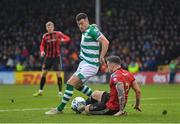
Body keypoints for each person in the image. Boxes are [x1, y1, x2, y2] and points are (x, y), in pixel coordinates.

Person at [45, 13, 109, 115]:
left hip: (90, 64)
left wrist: (102, 56)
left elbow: (105, 42)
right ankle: (97, 98)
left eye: (82, 23)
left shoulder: (92, 30)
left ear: (87, 21)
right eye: (78, 24)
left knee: (70, 82)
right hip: (84, 63)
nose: (80, 26)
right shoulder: (88, 30)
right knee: (78, 86)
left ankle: (59, 109)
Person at [33, 21, 70, 97]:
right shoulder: (45, 36)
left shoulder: (58, 33)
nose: (49, 28)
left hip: (56, 57)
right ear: (46, 28)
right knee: (43, 74)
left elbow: (68, 38)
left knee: (58, 75)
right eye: (48, 27)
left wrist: (62, 40)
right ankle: (40, 91)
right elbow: (42, 45)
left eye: (50, 27)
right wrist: (42, 51)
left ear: (53, 27)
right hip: (48, 57)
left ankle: (60, 92)